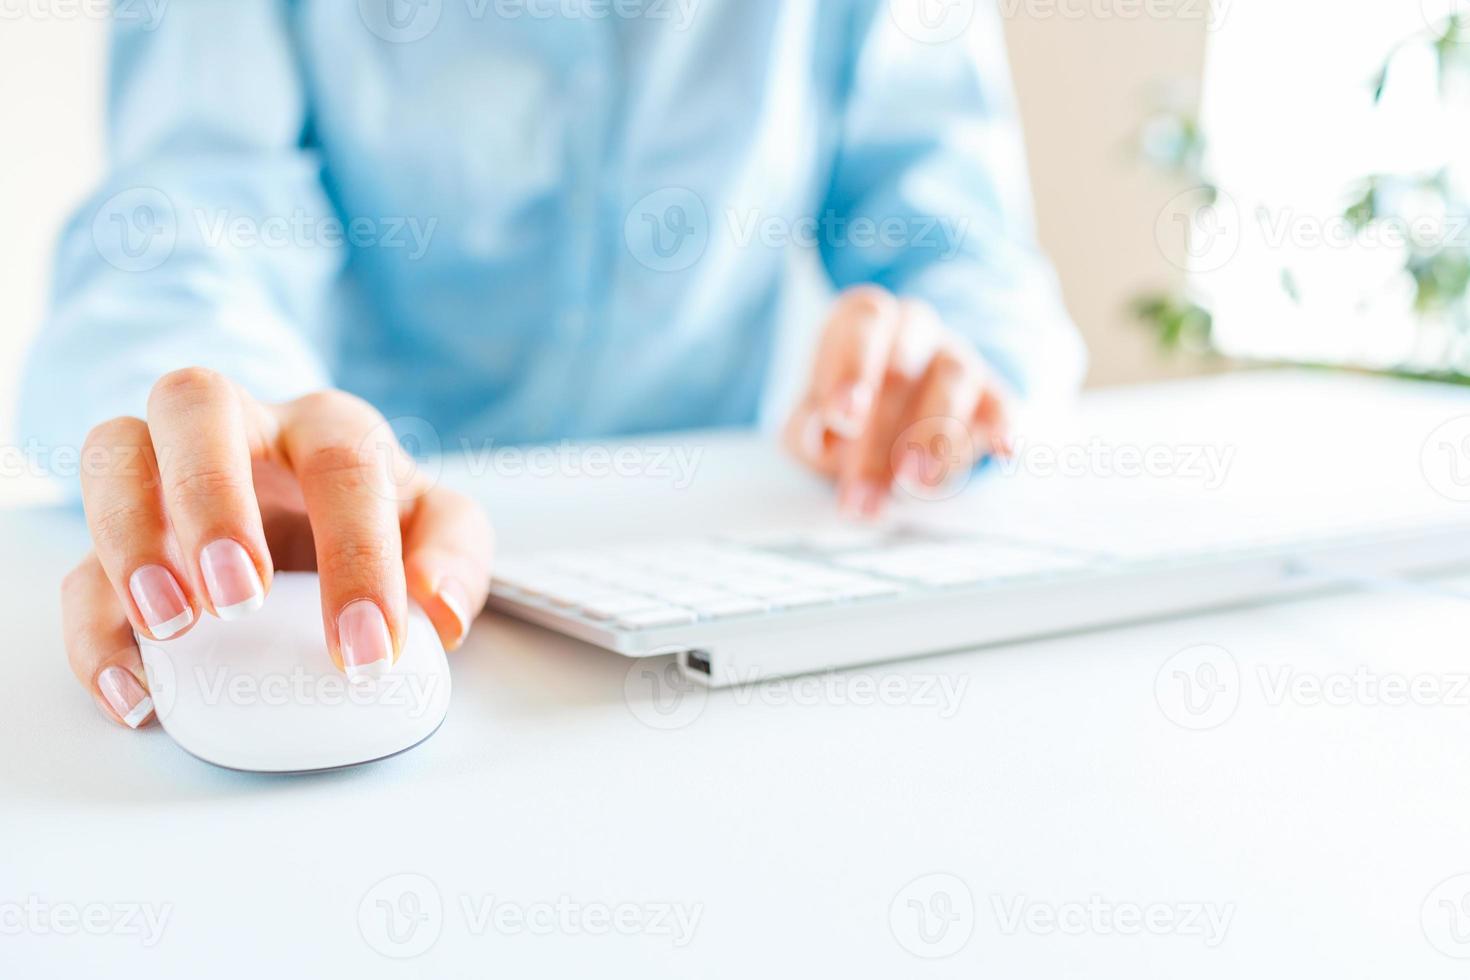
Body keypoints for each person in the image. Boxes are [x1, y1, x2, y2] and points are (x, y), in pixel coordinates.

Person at [21, 0, 1085, 728]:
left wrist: (956, 367)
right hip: (367, 552)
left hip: (730, 568)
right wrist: (216, 432)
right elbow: (179, 220)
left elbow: (969, 247)